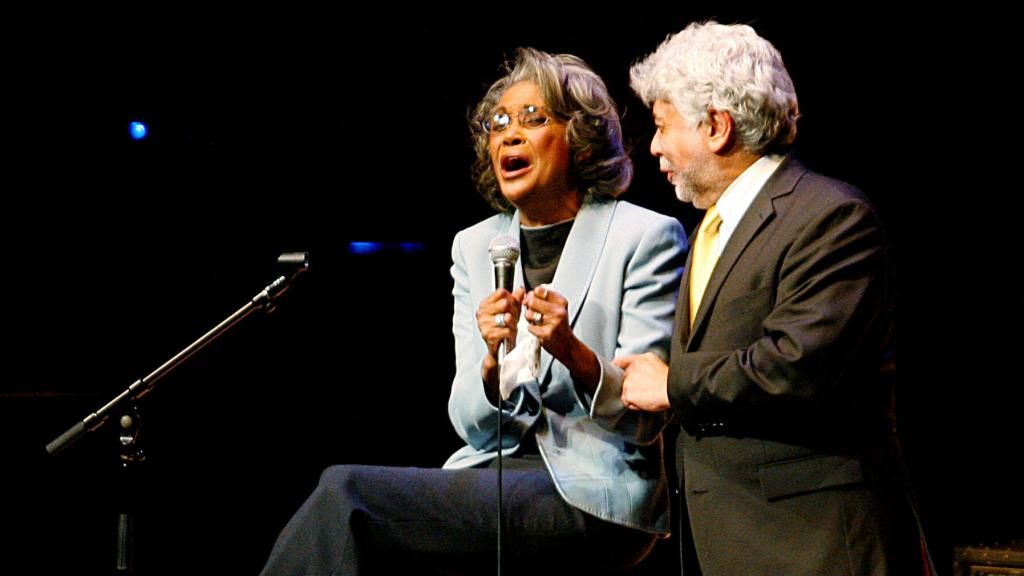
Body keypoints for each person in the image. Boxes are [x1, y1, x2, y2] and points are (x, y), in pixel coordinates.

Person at [258, 47, 687, 575]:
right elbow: (469, 423)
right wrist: (489, 366)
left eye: (533, 119)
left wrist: (572, 352)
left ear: (578, 137)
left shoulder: (643, 237)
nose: (508, 134)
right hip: (495, 472)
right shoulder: (476, 245)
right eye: (498, 123)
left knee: (347, 495)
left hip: (600, 493)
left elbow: (645, 419)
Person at [616, 21, 918, 575]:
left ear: (716, 127)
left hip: (811, 545)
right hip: (729, 538)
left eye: (662, 126)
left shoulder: (831, 217)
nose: (654, 146)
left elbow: (796, 367)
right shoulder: (712, 226)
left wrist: (671, 382)